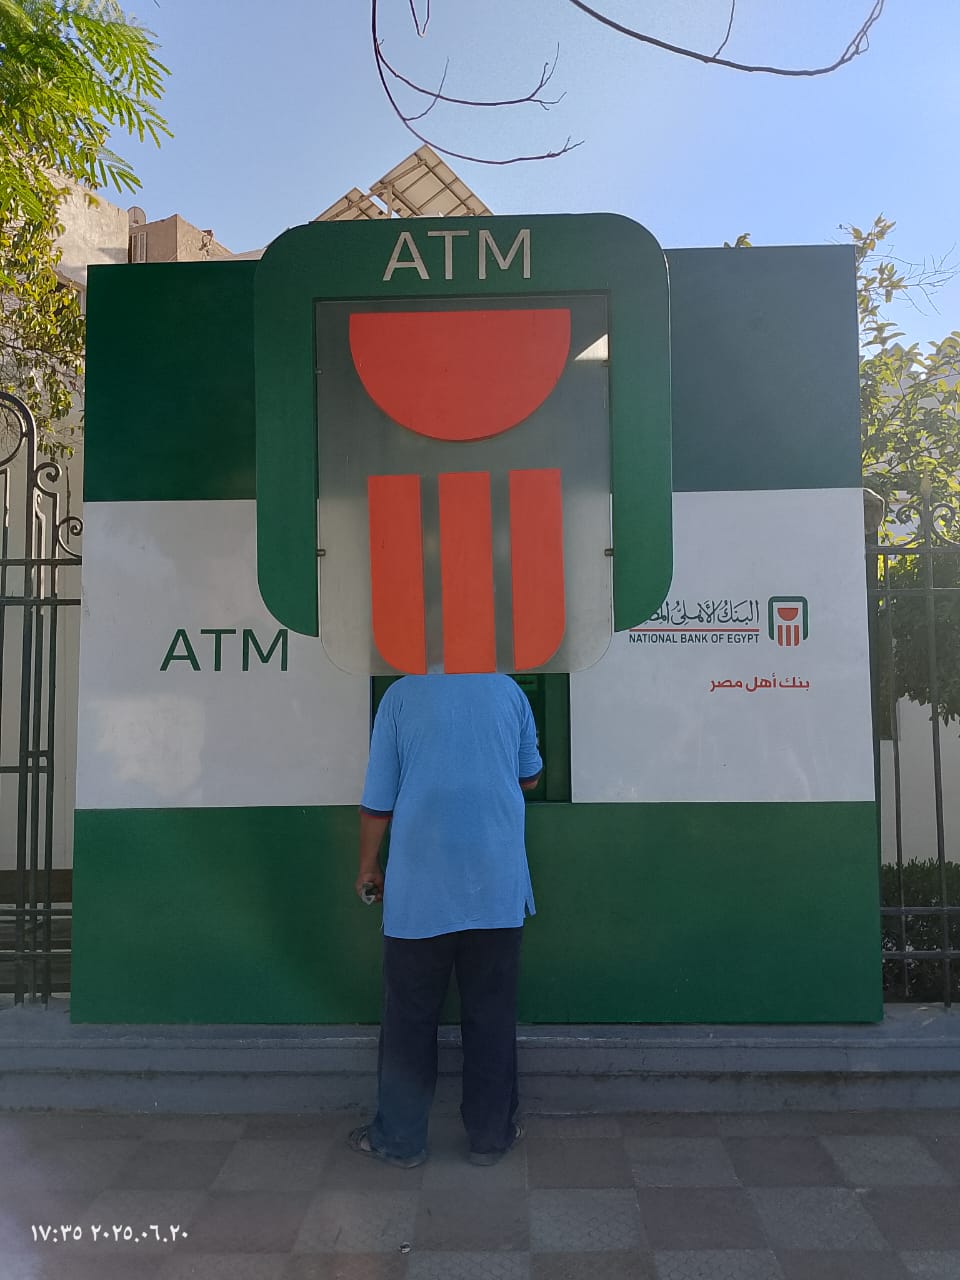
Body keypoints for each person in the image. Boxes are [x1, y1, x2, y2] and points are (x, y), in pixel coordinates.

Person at [348, 673, 543, 1168]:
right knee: (491, 1014)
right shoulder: (509, 692)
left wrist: (368, 865)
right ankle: (490, 1137)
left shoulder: (400, 695)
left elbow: (378, 799)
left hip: (419, 890)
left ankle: (400, 1140)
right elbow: (530, 777)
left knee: (409, 1018)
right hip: (495, 886)